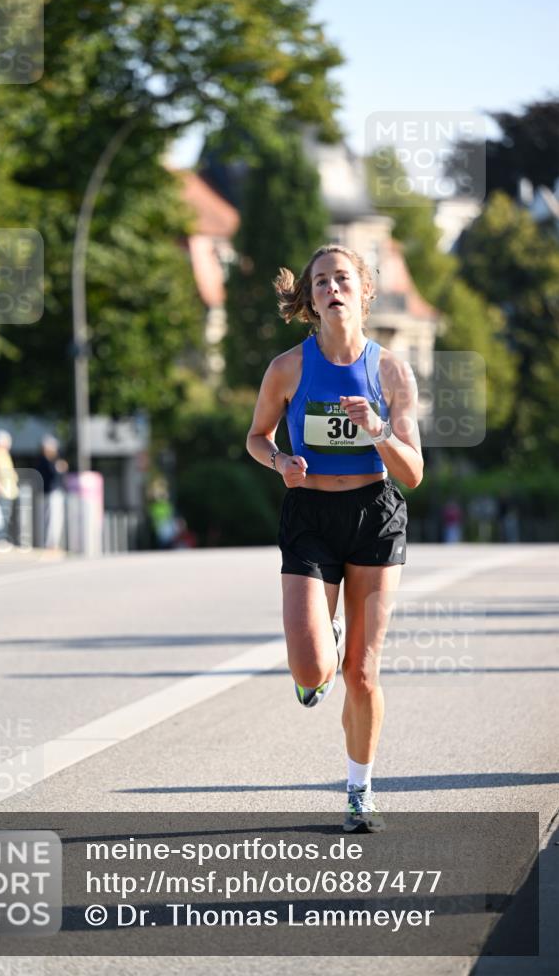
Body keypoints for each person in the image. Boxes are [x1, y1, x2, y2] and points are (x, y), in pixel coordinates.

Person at [246, 244, 423, 833]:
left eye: (342, 278)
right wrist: (278, 463)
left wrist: (376, 430)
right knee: (311, 668)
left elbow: (413, 472)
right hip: (309, 514)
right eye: (320, 282)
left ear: (363, 291)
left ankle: (359, 791)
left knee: (363, 675)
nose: (332, 289)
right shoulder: (287, 368)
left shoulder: (392, 370)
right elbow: (256, 436)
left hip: (374, 512)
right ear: (310, 297)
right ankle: (323, 648)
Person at [35, 435, 68, 549]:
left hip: (50, 492)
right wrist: (59, 467)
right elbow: (54, 475)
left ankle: (52, 543)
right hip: (50, 493)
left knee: (52, 519)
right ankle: (50, 544)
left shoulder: (48, 461)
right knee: (51, 520)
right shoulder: (46, 461)